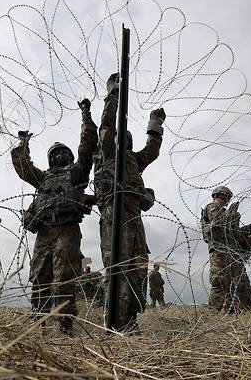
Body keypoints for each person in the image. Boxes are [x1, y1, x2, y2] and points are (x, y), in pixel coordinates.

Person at [11, 98, 97, 335]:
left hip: (66, 230)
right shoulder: (44, 179)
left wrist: (86, 116)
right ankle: (38, 323)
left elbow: (87, 147)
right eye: (55, 153)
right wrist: (23, 144)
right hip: (44, 231)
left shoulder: (76, 173)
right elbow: (23, 168)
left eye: (63, 153)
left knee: (64, 279)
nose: (60, 156)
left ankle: (65, 325)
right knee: (39, 278)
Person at [94, 73, 165, 332]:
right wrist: (113, 95)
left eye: (127, 139)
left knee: (136, 268)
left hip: (135, 217)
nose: (121, 141)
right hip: (114, 216)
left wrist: (155, 123)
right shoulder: (107, 154)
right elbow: (106, 128)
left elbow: (153, 150)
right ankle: (113, 322)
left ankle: (130, 321)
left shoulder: (134, 160)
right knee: (116, 266)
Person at [201, 186, 251, 313]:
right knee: (220, 283)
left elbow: (235, 235)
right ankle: (215, 313)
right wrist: (231, 214)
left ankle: (244, 312)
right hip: (220, 252)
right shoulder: (212, 207)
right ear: (221, 195)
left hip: (233, 253)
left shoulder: (226, 213)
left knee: (242, 284)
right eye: (227, 197)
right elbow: (218, 225)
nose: (228, 200)